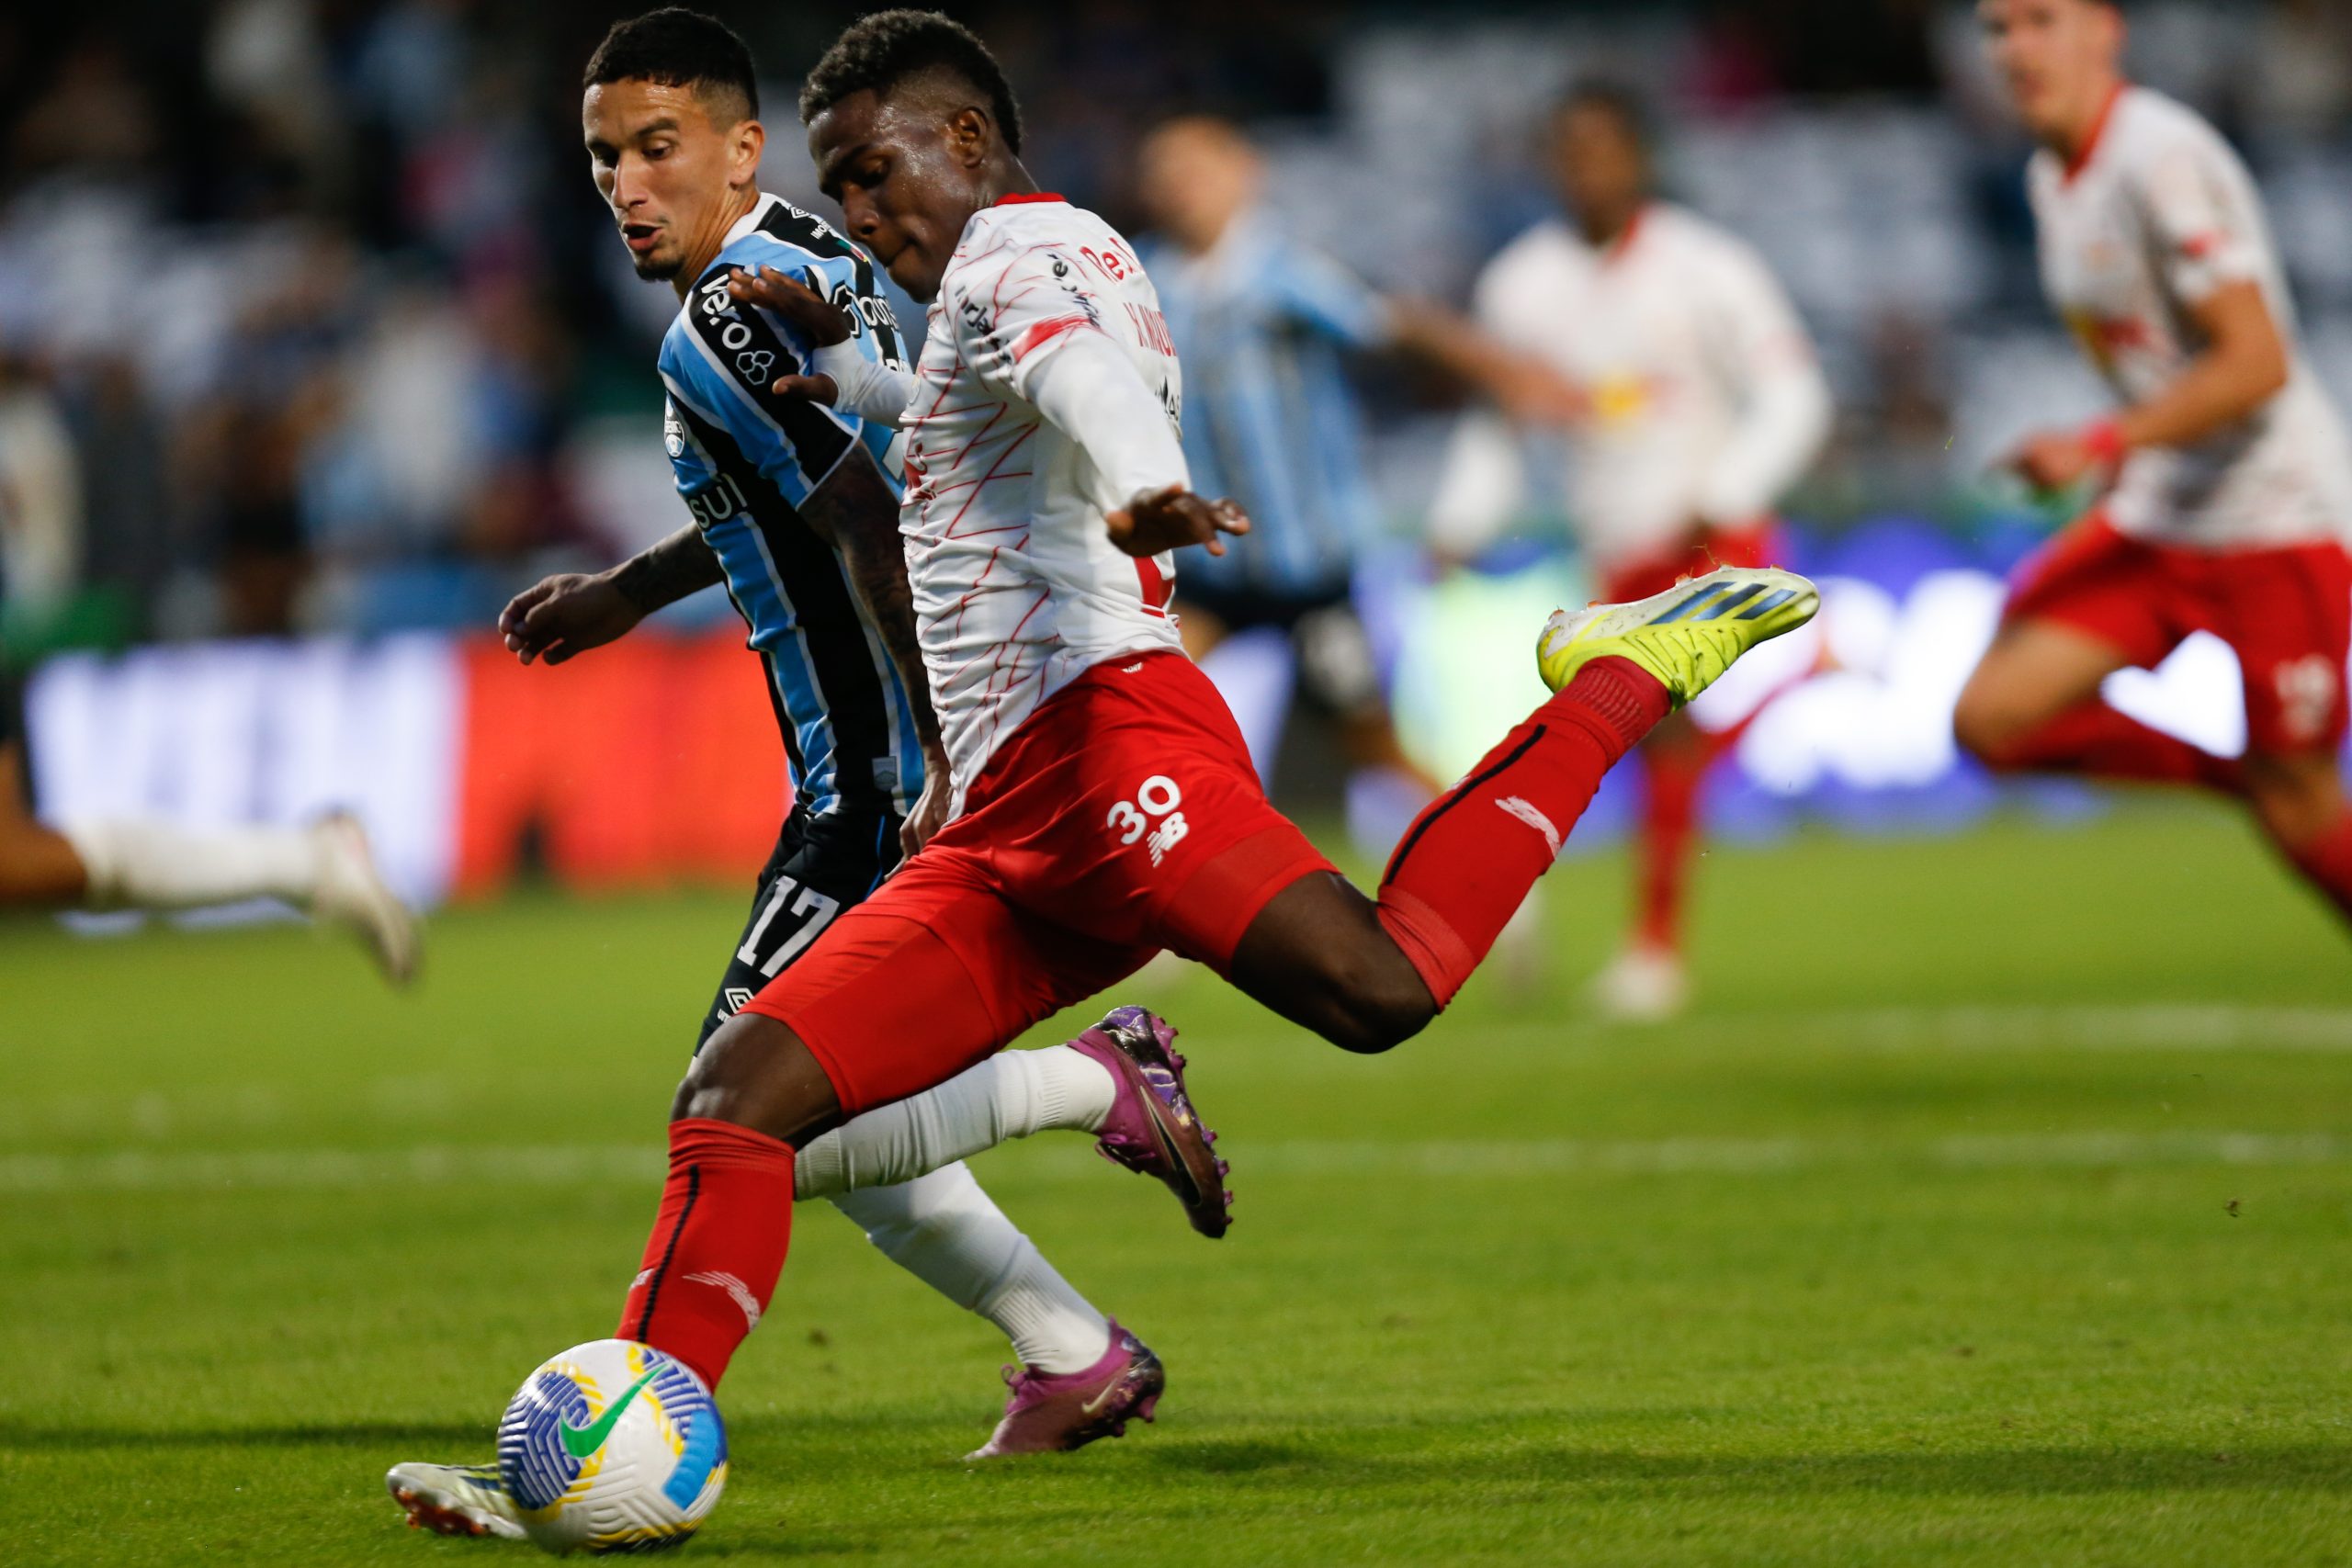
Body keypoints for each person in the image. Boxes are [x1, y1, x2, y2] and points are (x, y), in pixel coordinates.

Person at [610, 5, 1815, 1448]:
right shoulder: (1043, 257)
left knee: (1381, 988)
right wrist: (857, 375)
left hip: (1112, 748)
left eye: (876, 173)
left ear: (970, 138)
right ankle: (631, 1437)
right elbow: (978, 413)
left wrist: (1150, 486)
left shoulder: (1019, 258)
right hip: (1004, 817)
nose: (859, 216)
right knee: (736, 1097)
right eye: (842, 187)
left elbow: (1084, 383)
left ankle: (1623, 672)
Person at [384, 17, 1227, 1530]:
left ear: (739, 146)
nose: (628, 186)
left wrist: (947, 752)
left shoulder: (728, 317)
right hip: (927, 749)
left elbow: (861, 523)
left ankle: (602, 1458)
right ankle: (1073, 1348)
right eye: (603, 159)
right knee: (805, 1119)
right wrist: (630, 595)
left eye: (658, 149)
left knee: (740, 1112)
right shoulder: (814, 264)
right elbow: (815, 490)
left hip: (877, 781)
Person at [1430, 80, 1832, 1021]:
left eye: (1603, 148)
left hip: (1710, 537)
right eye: (1567, 151)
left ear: (1640, 157)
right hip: (1614, 550)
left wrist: (1726, 489)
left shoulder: (1707, 266)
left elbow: (1793, 394)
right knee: (1641, 743)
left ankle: (1647, 947)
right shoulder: (1520, 285)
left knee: (1644, 735)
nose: (1586, 168)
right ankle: (1813, 676)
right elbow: (1504, 422)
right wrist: (1459, 522)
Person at [1953, 0, 2352, 929]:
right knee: (1993, 720)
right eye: (1995, 29)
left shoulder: (2160, 159)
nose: (2014, 50)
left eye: (2039, 21)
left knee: (2305, 811)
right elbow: (2153, 361)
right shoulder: (2053, 178)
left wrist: (2099, 444)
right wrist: (2125, 460)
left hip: (2273, 518)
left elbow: (2256, 360)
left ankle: (2274, 785)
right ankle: (2250, 780)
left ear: (2104, 28)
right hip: (2164, 512)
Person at [1132, 116, 1580, 844]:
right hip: (1212, 567)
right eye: (1165, 173)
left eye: (1196, 168)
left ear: (1244, 171)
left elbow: (1392, 326)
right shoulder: (1145, 286)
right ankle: (1156, 907)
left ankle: (1494, 843)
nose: (1180, 187)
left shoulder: (1282, 273)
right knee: (1139, 712)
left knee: (1372, 743)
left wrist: (1502, 371)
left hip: (1311, 570)